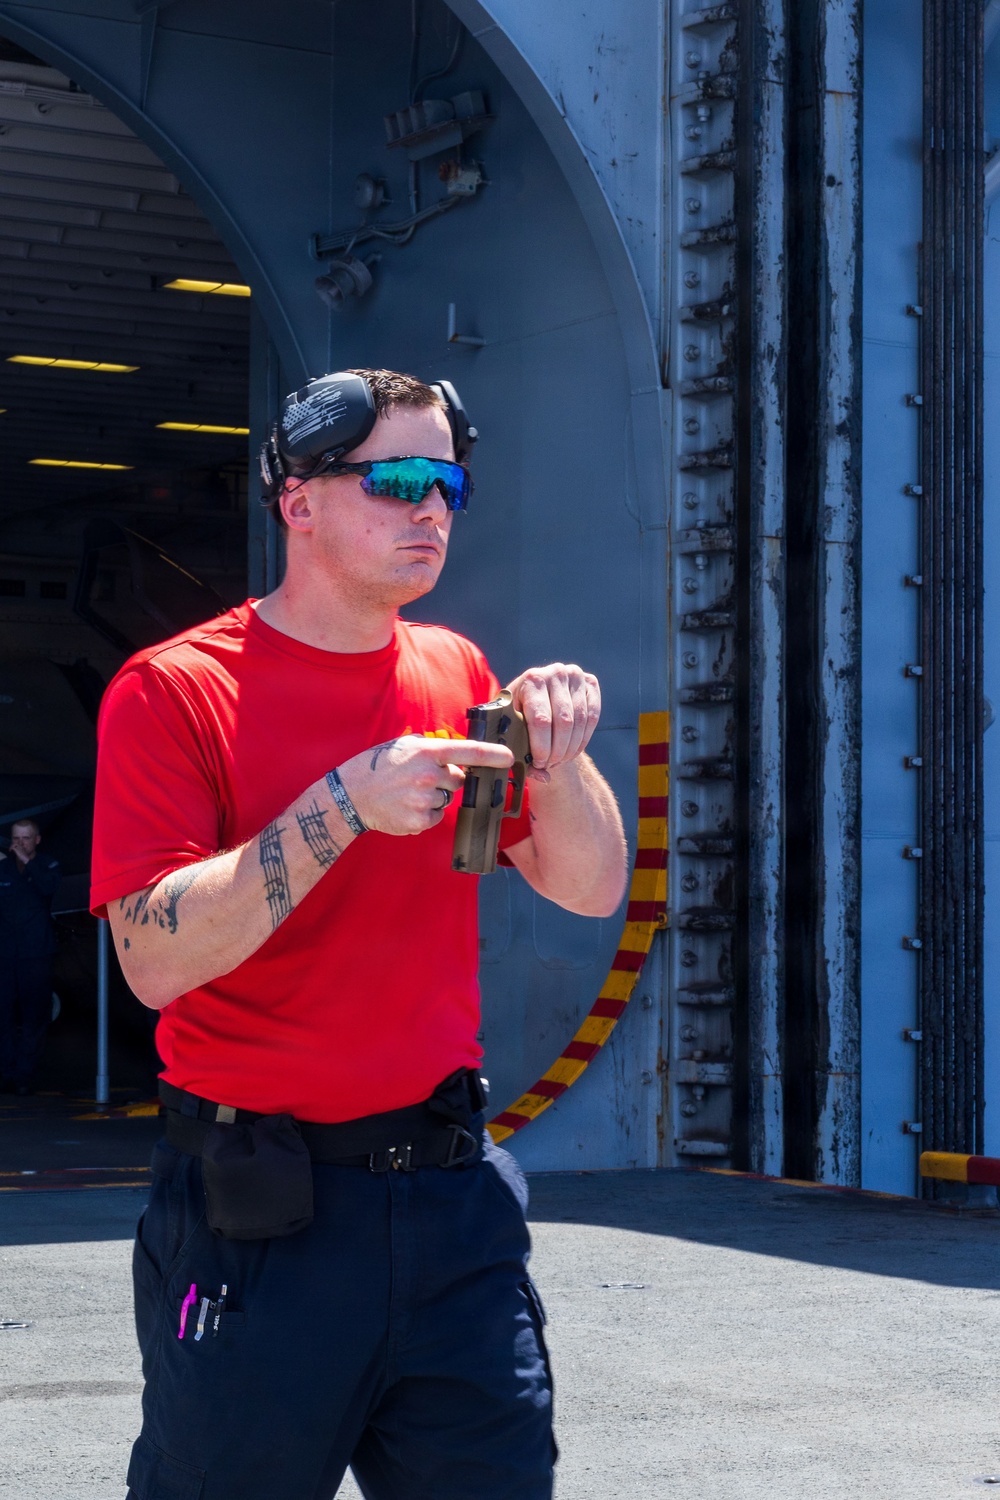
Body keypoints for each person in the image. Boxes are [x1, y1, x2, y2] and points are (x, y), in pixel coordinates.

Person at [90, 368, 627, 1500]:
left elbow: (586, 888)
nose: (431, 507)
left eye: (448, 483)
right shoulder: (177, 690)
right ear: (299, 501)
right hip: (261, 1218)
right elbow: (151, 960)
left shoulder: (455, 672)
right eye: (396, 479)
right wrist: (343, 806)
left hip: (449, 1206)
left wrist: (563, 757)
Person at [0, 817, 60, 1095]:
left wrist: (28, 861)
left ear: (36, 840)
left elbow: (49, 890)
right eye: (16, 838)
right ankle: (5, 1074)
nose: (19, 843)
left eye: (25, 838)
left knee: (34, 1016)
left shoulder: (48, 865)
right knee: (4, 1015)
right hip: (6, 954)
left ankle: (25, 1075)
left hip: (36, 954)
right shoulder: (3, 869)